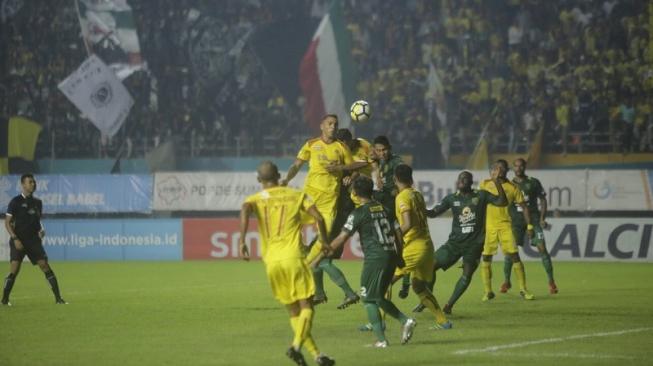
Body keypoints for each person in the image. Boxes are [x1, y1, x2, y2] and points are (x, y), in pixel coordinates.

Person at [239, 161, 335, 366]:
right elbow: (318, 217)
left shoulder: (254, 199)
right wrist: (325, 241)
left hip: (271, 262)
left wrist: (242, 241)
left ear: (259, 180)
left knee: (293, 311)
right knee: (307, 306)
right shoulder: (295, 194)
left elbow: (245, 209)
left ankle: (317, 355)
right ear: (279, 175)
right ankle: (296, 346)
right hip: (293, 257)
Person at [281, 114, 367, 309]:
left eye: (335, 124)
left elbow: (356, 164)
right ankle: (320, 291)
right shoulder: (311, 144)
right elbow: (296, 165)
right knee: (288, 224)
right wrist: (287, 179)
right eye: (329, 124)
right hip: (309, 200)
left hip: (329, 207)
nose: (333, 127)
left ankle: (339, 293)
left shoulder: (341, 147)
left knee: (318, 256)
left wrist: (341, 167)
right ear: (321, 126)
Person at [321, 176, 416, 348]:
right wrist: (399, 255)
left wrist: (324, 252)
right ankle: (404, 321)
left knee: (368, 298)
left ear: (355, 193)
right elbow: (398, 234)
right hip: (390, 255)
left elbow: (342, 238)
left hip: (375, 258)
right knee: (378, 296)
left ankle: (384, 338)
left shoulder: (358, 213)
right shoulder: (386, 209)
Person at [412, 170, 508, 315]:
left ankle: (449, 305)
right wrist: (420, 209)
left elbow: (502, 201)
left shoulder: (481, 195)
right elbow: (434, 213)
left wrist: (496, 182)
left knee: (467, 274)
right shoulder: (451, 198)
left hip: (474, 245)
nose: (461, 181)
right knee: (430, 267)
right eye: (459, 179)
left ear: (471, 182)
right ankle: (427, 300)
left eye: (465, 179)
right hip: (454, 244)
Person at [391, 164, 451, 329]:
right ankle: (443, 321)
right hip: (427, 246)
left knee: (385, 283)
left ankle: (377, 323)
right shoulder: (417, 194)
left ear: (395, 179)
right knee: (418, 286)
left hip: (414, 247)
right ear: (411, 178)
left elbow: (408, 223)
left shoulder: (402, 197)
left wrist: (392, 237)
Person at [2, 174, 67, 306]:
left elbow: (37, 220)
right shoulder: (15, 202)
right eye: (30, 182)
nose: (33, 184)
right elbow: (7, 223)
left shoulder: (38, 202)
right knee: (14, 269)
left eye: (34, 182)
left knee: (45, 265)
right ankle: (4, 299)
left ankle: (58, 299)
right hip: (18, 240)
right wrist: (15, 239)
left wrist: (41, 229)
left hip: (33, 241)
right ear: (23, 184)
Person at [479, 160, 535, 301]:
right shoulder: (485, 184)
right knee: (486, 258)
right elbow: (479, 206)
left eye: (502, 168)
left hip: (505, 226)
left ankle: (523, 289)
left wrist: (529, 225)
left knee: (514, 256)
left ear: (506, 170)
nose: (499, 170)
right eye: (497, 167)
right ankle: (488, 291)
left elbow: (524, 207)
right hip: (489, 227)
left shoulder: (513, 187)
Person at [503, 158, 558, 294]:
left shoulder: (533, 182)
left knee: (542, 248)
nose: (519, 168)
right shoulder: (507, 184)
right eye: (516, 166)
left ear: (525, 167)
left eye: (521, 166)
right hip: (515, 222)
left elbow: (543, 199)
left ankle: (551, 281)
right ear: (513, 168)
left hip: (533, 220)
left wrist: (542, 218)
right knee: (511, 252)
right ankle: (506, 281)